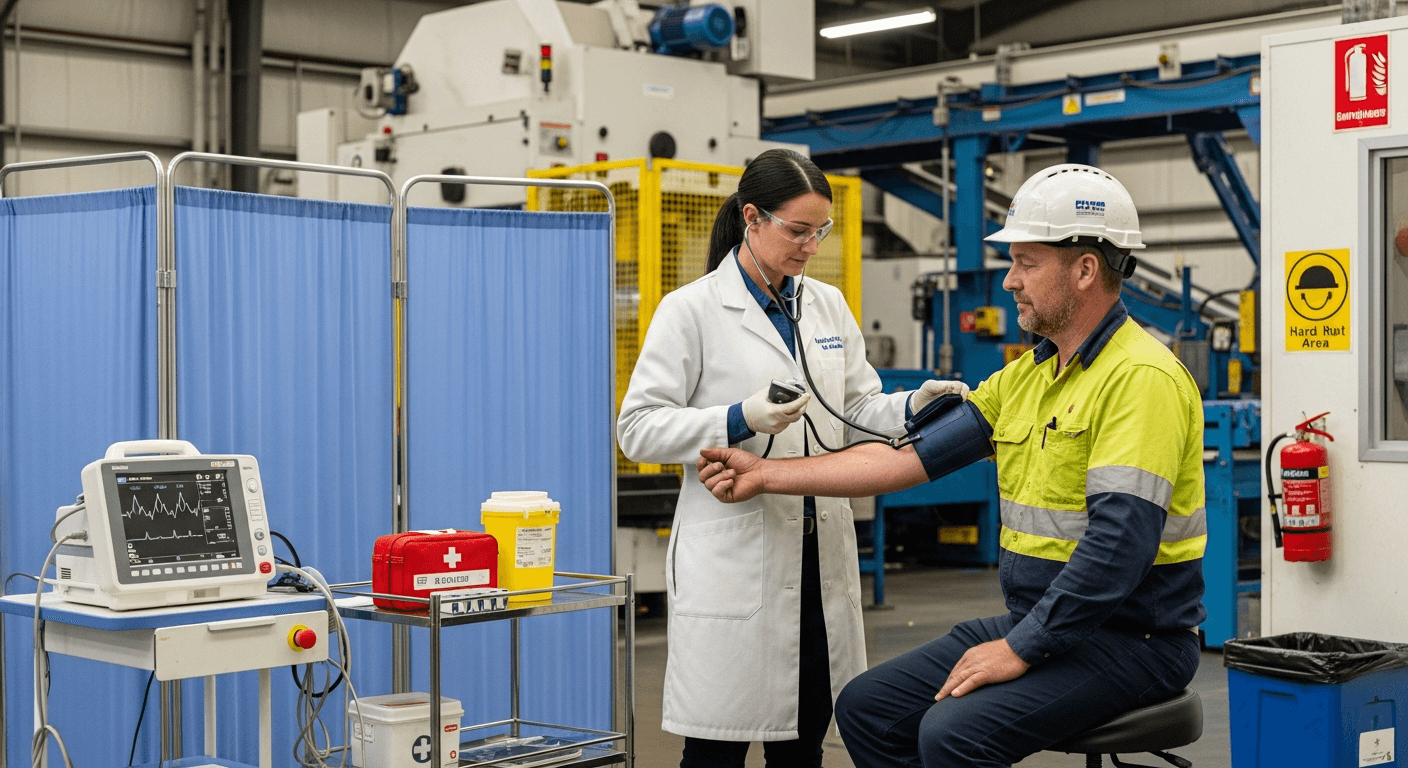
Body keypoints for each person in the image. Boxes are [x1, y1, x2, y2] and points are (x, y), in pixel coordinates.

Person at [696, 163, 1207, 768]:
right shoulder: (1030, 376)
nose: (1010, 281)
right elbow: (903, 460)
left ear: (1085, 269)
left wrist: (1019, 649)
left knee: (953, 733)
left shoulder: (1139, 379)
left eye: (1026, 262)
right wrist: (767, 475)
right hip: (1046, 622)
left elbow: (1118, 549)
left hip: (1131, 638)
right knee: (867, 706)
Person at [617, 147, 965, 768]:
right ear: (753, 218)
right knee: (714, 750)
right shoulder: (691, 310)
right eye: (798, 231)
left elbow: (857, 408)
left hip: (818, 557)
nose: (811, 245)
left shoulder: (824, 305)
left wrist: (914, 406)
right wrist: (738, 418)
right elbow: (637, 430)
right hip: (734, 555)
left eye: (820, 231)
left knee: (803, 744)